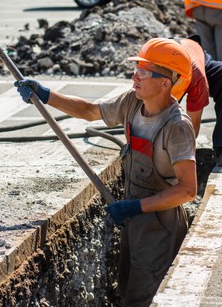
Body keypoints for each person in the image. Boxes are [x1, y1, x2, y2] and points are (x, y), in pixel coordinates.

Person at [15, 38, 197, 306]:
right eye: (137, 70)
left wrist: (136, 207)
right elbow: (90, 111)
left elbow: (187, 190)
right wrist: (46, 95)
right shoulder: (131, 103)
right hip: (133, 222)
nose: (135, 77)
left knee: (143, 298)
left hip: (159, 230)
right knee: (125, 290)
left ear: (165, 82)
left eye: (144, 72)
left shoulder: (177, 127)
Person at [172, 36, 222, 168]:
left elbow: (193, 128)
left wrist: (180, 156)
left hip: (196, 59)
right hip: (173, 61)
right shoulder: (146, 73)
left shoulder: (197, 76)